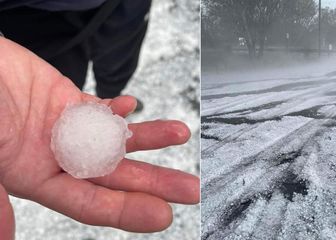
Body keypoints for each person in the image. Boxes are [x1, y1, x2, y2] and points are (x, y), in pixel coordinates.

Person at [0, 36, 199, 238]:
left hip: (120, 10)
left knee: (118, 59)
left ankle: (111, 89)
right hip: (38, 21)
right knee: (65, 64)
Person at [0, 0, 148, 111]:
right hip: (28, 18)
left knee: (118, 58)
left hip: (120, 8)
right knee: (58, 101)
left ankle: (111, 97)